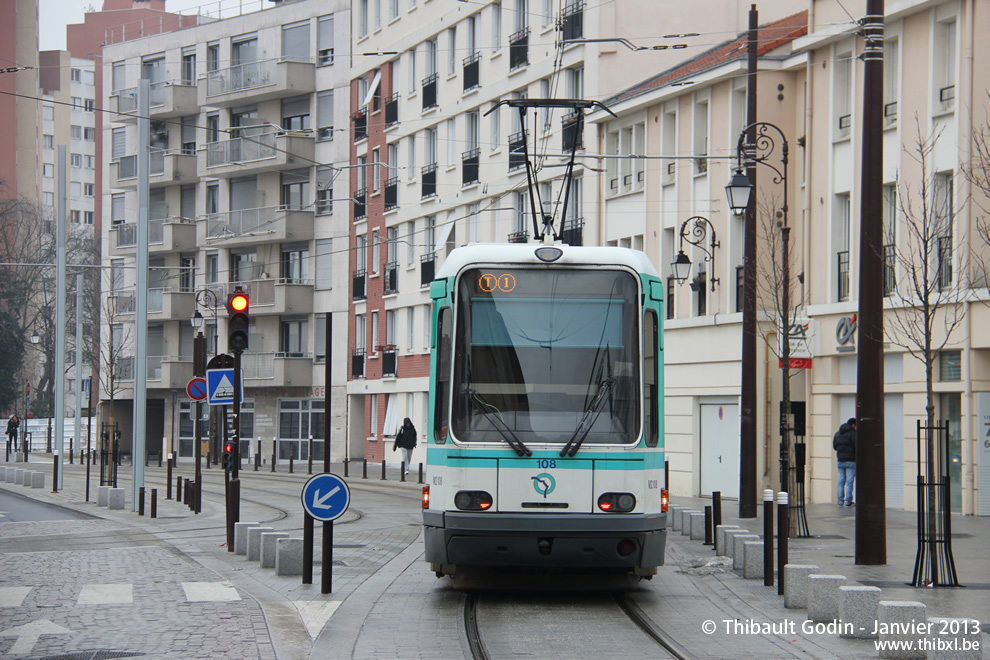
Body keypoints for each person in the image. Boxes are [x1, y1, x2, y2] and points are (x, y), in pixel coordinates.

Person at [832, 417, 857, 506]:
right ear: (853, 425)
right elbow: (856, 446)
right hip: (851, 460)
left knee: (841, 480)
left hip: (840, 460)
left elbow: (835, 447)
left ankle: (840, 501)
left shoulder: (837, 434)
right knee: (849, 481)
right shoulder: (853, 434)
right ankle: (848, 501)